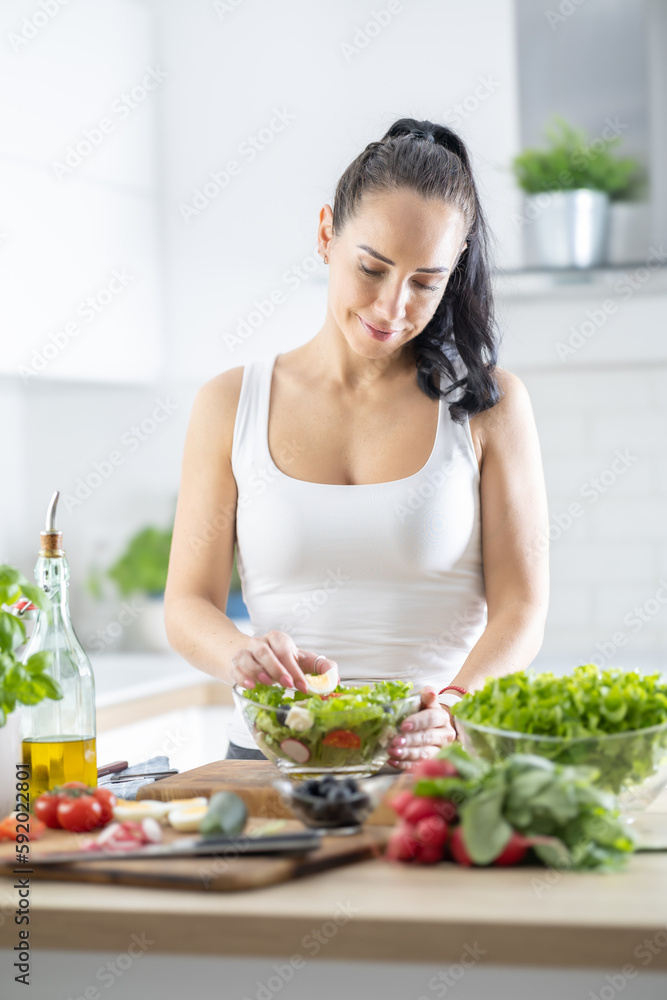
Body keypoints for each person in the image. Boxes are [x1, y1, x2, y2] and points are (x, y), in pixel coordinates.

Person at [164, 117, 549, 768]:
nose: (392, 307)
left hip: (433, 767)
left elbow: (521, 608)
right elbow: (186, 604)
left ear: (452, 273)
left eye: (425, 281)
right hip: (269, 768)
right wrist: (238, 653)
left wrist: (456, 705)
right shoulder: (229, 404)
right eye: (371, 268)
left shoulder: (487, 406)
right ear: (325, 236)